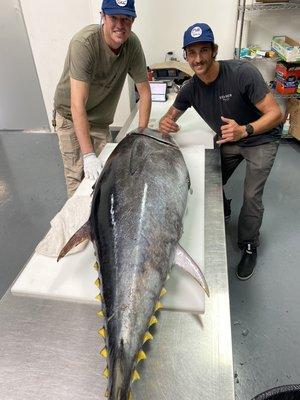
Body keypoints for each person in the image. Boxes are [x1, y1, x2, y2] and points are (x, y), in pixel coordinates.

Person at [159, 23, 283, 280]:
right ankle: (223, 204)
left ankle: (249, 245)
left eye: (204, 50)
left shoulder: (242, 73)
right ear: (186, 56)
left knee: (251, 195)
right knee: (210, 180)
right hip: (229, 138)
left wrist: (245, 130)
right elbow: (171, 115)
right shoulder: (190, 88)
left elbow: (276, 114)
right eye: (191, 53)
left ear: (214, 50)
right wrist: (166, 121)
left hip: (260, 137)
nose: (198, 58)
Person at [54, 0, 151, 197]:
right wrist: (88, 155)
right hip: (70, 115)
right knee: (78, 178)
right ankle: (79, 226)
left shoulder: (132, 45)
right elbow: (77, 104)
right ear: (102, 16)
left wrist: (141, 134)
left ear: (133, 20)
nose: (120, 25)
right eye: (113, 17)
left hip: (99, 119)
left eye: (126, 19)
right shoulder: (84, 43)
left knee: (107, 173)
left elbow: (145, 92)